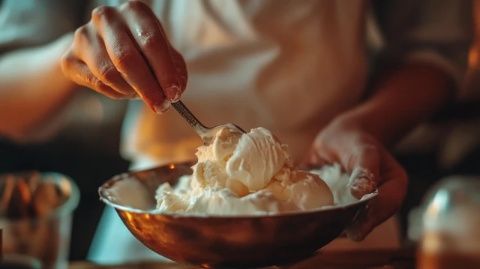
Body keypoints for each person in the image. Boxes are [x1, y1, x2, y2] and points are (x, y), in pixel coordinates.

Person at [0, 0, 472, 263]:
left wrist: (366, 125)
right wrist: (70, 56)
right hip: (160, 227)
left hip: (335, 208)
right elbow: (10, 103)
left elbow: (432, 52)